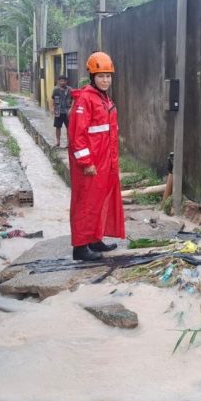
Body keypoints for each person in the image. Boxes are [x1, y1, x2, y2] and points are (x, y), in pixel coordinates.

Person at [68, 52, 125, 261]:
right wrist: (86, 163)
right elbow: (77, 136)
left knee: (100, 202)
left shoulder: (103, 98)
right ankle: (80, 248)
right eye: (101, 76)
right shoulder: (85, 99)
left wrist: (112, 163)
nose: (105, 80)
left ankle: (94, 239)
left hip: (105, 161)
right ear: (92, 76)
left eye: (108, 76)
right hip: (91, 164)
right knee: (86, 204)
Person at [51, 75, 73, 148]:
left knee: (69, 128)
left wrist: (71, 109)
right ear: (58, 81)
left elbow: (74, 99)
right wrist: (53, 108)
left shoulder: (70, 90)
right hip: (58, 111)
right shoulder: (56, 90)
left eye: (64, 81)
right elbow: (53, 99)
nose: (62, 82)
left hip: (67, 112)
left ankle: (68, 143)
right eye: (61, 81)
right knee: (58, 127)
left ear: (66, 81)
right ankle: (58, 142)